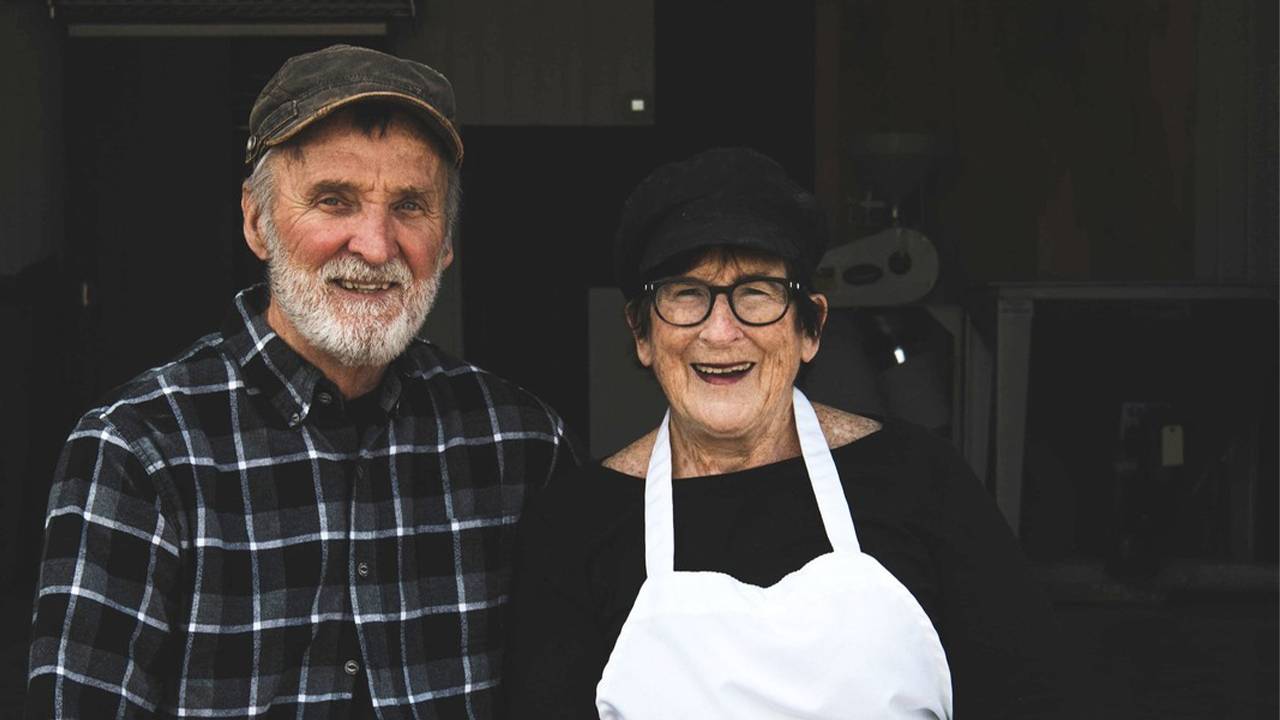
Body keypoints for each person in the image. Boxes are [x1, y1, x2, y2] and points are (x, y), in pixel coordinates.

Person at [27, 44, 579, 719]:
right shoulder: (139, 451)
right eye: (334, 201)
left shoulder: (520, 443)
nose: (376, 245)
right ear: (258, 222)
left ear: (449, 239)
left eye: (410, 206)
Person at [505, 148, 1068, 718]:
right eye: (685, 293)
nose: (721, 332)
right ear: (642, 334)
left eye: (757, 291)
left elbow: (1030, 699)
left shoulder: (921, 481)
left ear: (811, 326)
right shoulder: (576, 525)